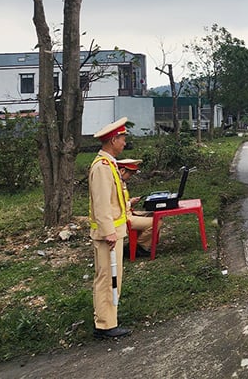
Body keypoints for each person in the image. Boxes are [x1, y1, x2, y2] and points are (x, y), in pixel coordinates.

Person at [88, 117, 132, 338]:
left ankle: (109, 318)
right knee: (107, 279)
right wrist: (109, 232)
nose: (124, 143)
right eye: (122, 139)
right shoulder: (102, 168)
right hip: (108, 235)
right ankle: (105, 325)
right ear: (114, 140)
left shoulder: (109, 164)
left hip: (114, 232)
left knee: (114, 278)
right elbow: (102, 203)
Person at [117, 158, 153, 259]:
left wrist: (130, 202)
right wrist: (130, 203)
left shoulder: (122, 182)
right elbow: (117, 205)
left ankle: (139, 245)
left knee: (153, 214)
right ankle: (138, 247)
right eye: (130, 174)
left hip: (128, 213)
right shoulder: (116, 184)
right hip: (124, 217)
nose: (130, 177)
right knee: (156, 222)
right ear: (123, 171)